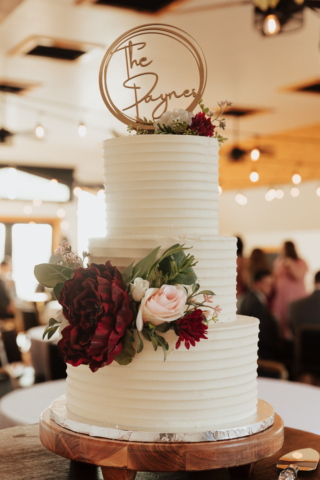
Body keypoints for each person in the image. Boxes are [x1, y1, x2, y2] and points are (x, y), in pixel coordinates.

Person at [238, 270, 282, 361]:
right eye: (267, 283)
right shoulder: (255, 303)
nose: (270, 287)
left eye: (271, 284)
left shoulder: (246, 297)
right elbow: (262, 333)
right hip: (261, 353)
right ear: (257, 284)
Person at [272, 241, 308, 338]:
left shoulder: (301, 262)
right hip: (282, 300)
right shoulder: (278, 262)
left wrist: (290, 264)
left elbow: (298, 275)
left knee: (296, 325)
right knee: (282, 329)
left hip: (296, 299)